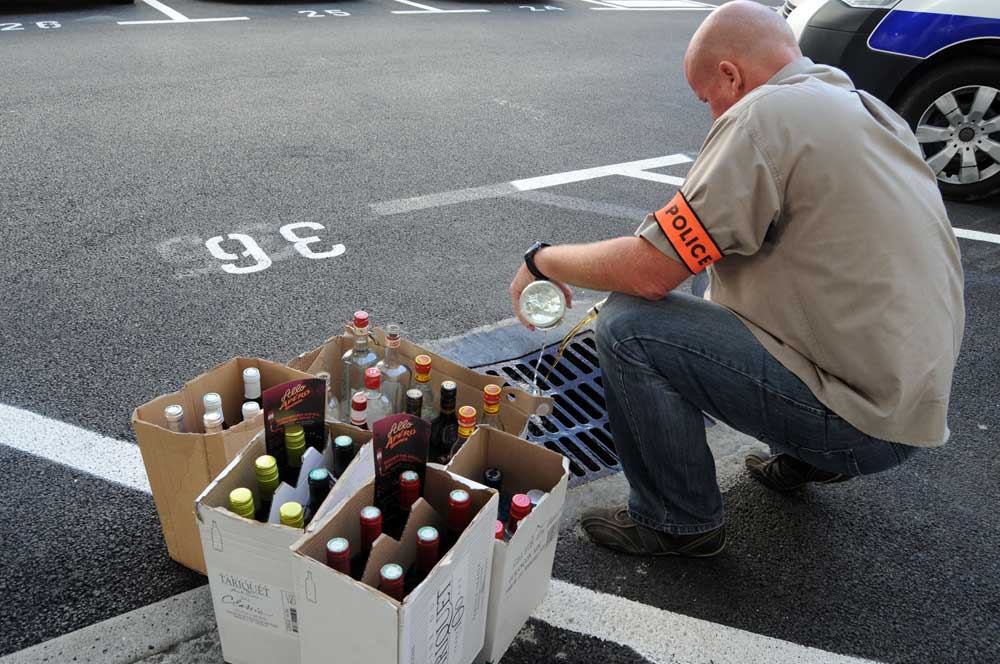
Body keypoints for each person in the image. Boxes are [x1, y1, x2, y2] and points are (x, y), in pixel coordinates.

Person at [509, 1, 965, 558]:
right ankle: (807, 458)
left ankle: (676, 519)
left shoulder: (762, 116)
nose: (711, 115)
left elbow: (649, 271)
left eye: (707, 98)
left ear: (730, 75)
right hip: (912, 408)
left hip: (859, 426)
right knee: (723, 282)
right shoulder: (866, 110)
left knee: (629, 325)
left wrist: (542, 260)